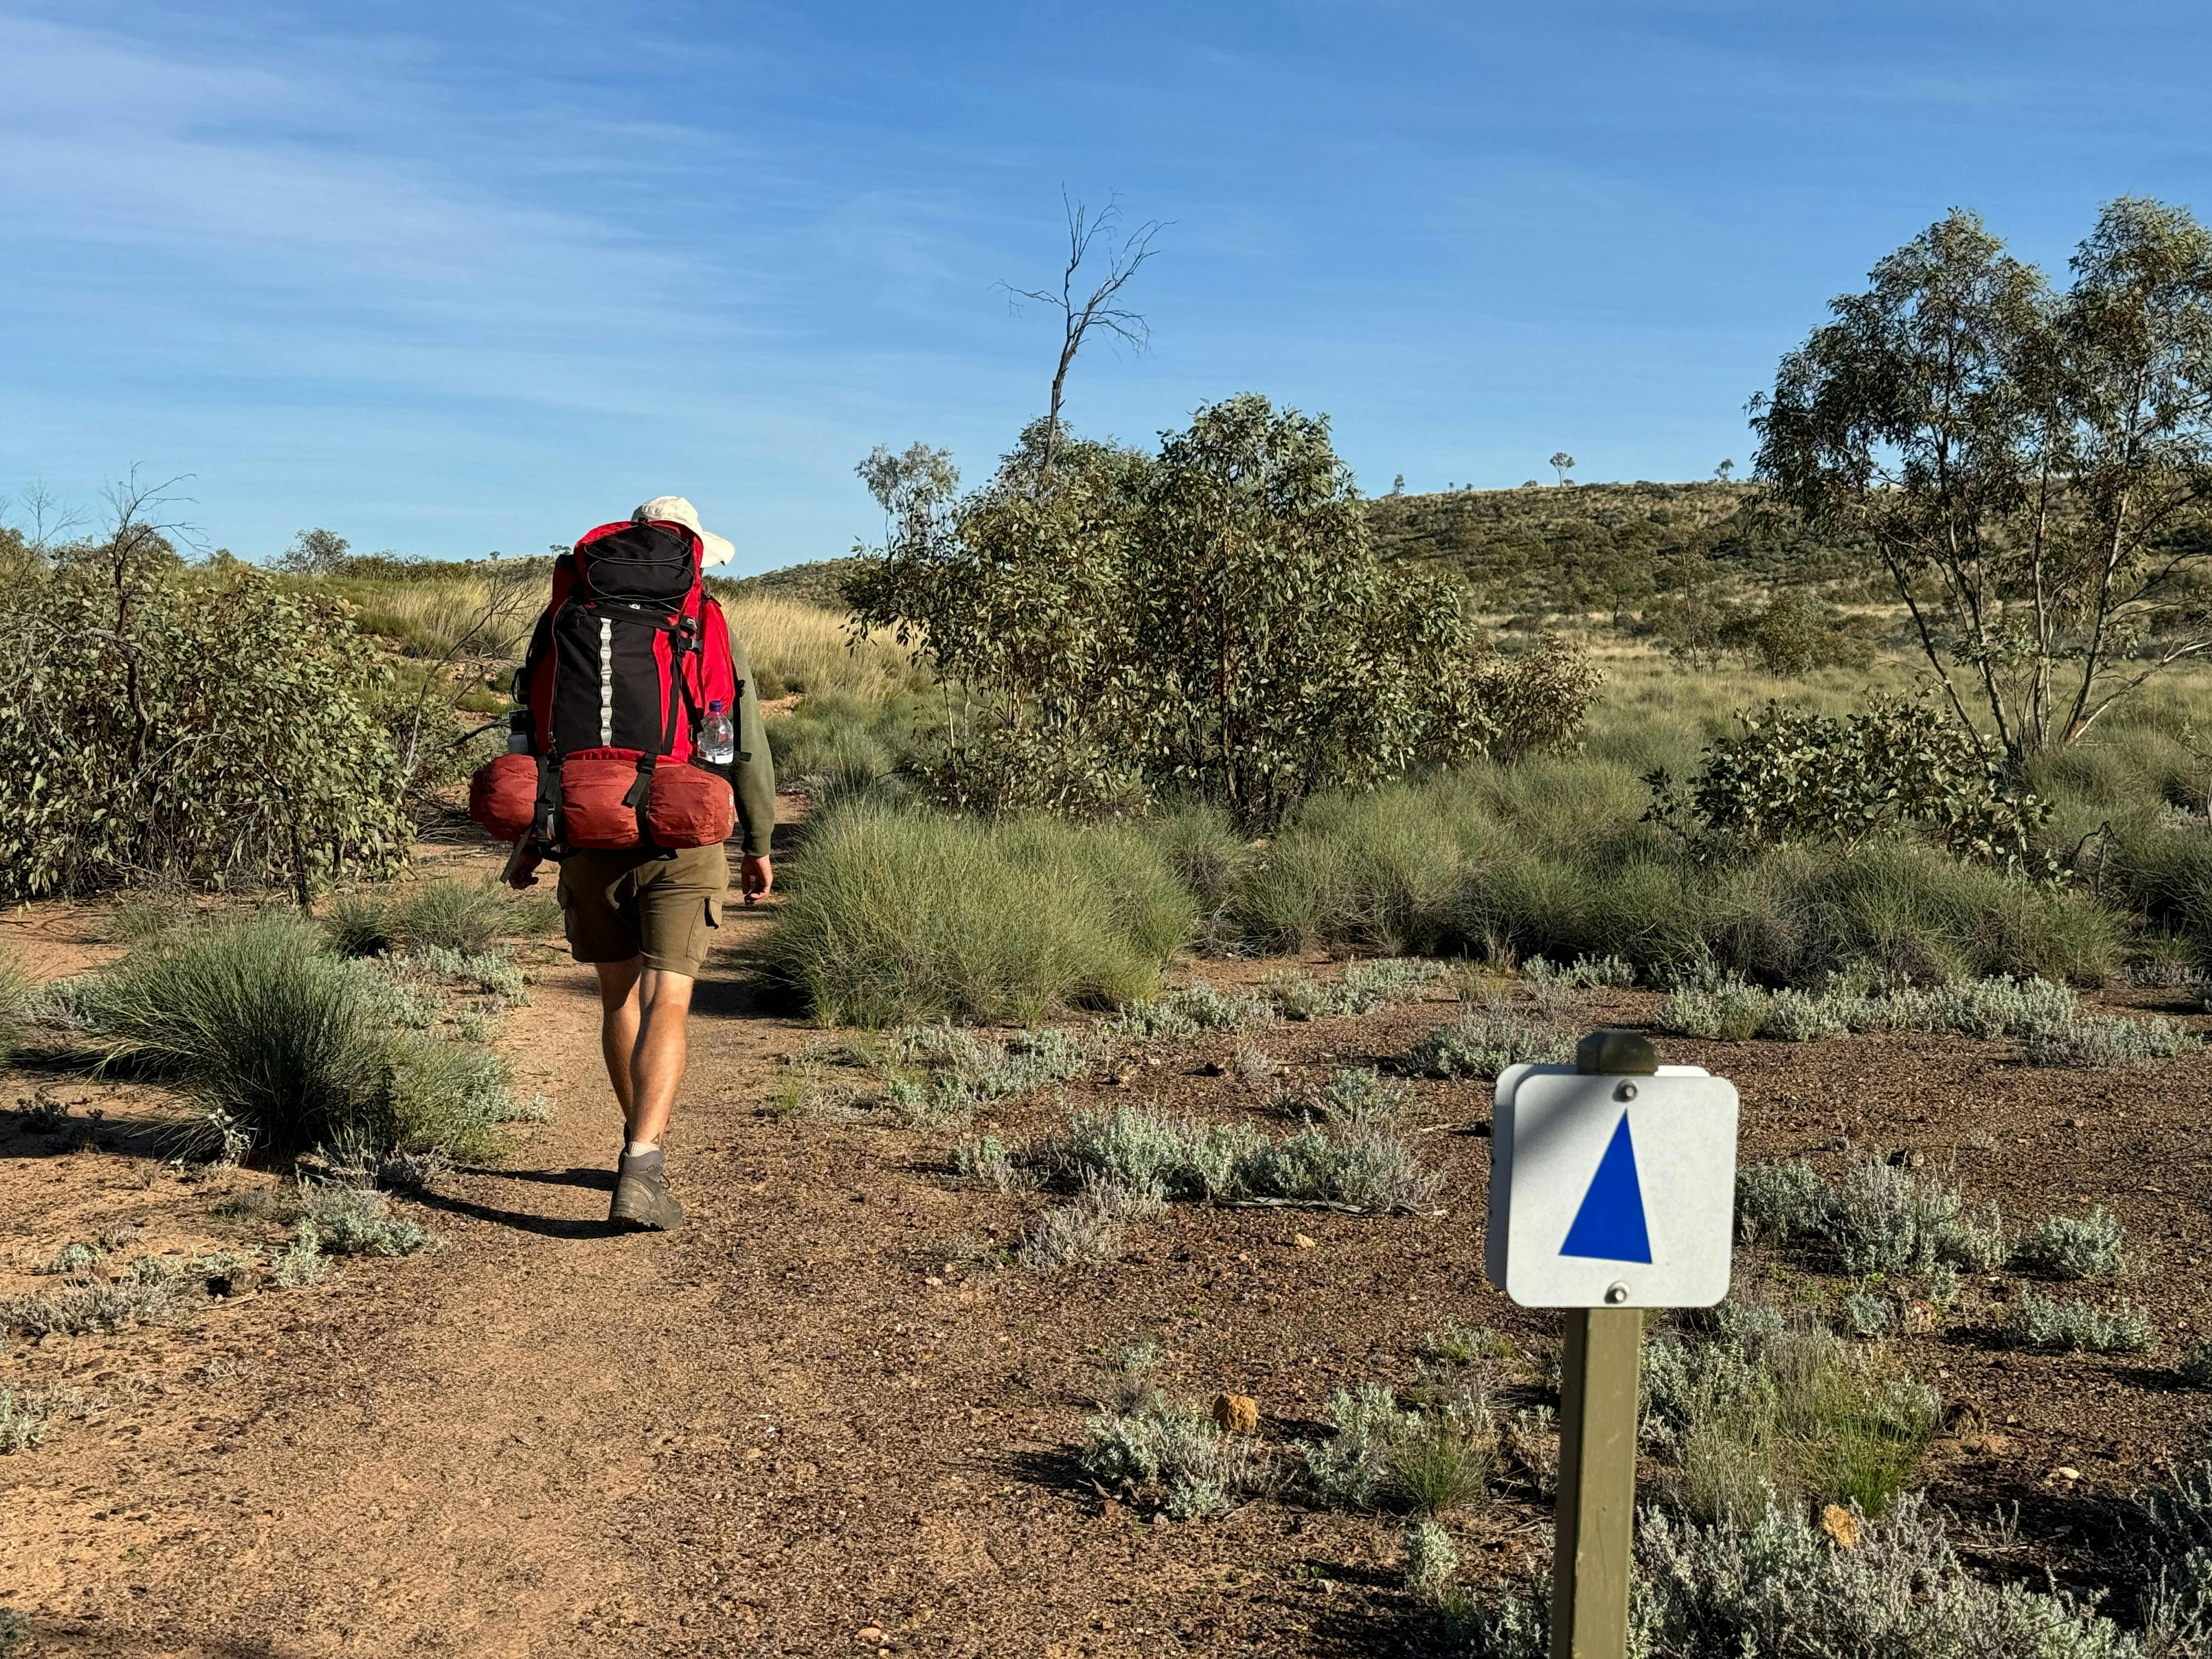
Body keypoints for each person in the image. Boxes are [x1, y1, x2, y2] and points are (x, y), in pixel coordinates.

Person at [506, 496, 776, 1231]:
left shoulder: (566, 616)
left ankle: (638, 1147)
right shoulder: (705, 618)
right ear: (691, 552)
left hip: (587, 824)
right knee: (669, 1001)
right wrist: (757, 840)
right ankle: (642, 1159)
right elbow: (742, 739)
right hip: (683, 830)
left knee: (619, 998)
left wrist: (531, 839)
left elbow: (531, 728)